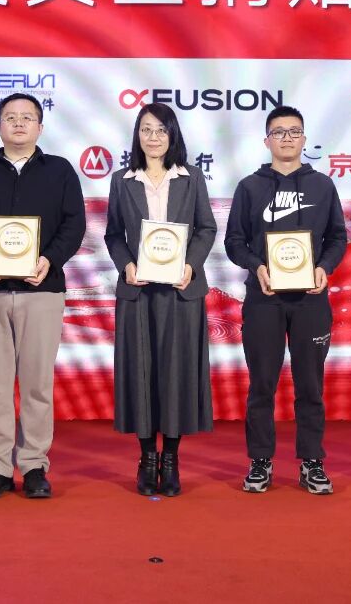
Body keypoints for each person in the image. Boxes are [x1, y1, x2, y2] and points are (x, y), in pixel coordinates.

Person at [0, 93, 86, 499]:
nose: (19, 123)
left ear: (40, 126)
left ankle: (34, 465)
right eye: (11, 117)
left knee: (37, 383)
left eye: (27, 117)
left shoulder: (59, 171)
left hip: (42, 290)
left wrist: (50, 259)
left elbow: (74, 224)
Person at [225, 105, 347, 495]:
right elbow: (234, 241)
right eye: (279, 132)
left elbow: (338, 237)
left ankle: (312, 461)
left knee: (310, 385)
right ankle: (260, 460)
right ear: (267, 141)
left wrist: (324, 267)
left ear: (304, 139)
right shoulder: (250, 187)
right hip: (264, 299)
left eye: (294, 132)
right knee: (262, 383)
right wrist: (256, 266)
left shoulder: (323, 186)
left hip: (311, 300)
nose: (287, 139)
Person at [104, 104, 216, 497]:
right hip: (138, 291)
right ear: (137, 135)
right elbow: (113, 234)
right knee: (141, 373)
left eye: (161, 130)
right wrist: (126, 264)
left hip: (180, 291)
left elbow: (206, 228)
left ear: (173, 135)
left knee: (175, 373)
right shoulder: (122, 180)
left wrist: (190, 265)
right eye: (146, 130)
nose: (153, 137)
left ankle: (171, 458)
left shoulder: (191, 177)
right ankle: (146, 457)